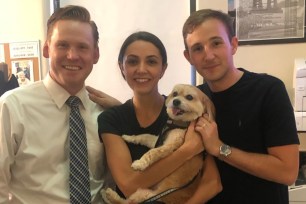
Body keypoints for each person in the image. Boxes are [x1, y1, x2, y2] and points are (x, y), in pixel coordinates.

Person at [0, 5, 120, 204]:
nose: (72, 55)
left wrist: (124, 111)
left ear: (95, 54)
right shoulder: (12, 108)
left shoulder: (104, 113)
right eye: (62, 45)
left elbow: (109, 183)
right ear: (47, 49)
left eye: (82, 47)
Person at [182, 9, 300, 203]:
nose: (208, 55)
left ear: (233, 45)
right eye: (197, 48)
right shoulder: (194, 99)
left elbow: (287, 173)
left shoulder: (269, 90)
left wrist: (220, 149)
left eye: (216, 43)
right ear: (189, 58)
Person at [96, 31, 222, 204]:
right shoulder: (111, 119)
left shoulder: (186, 115)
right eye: (132, 61)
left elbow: (212, 183)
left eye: (151, 61)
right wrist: (188, 150)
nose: (141, 69)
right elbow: (128, 185)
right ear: (121, 67)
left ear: (163, 69)